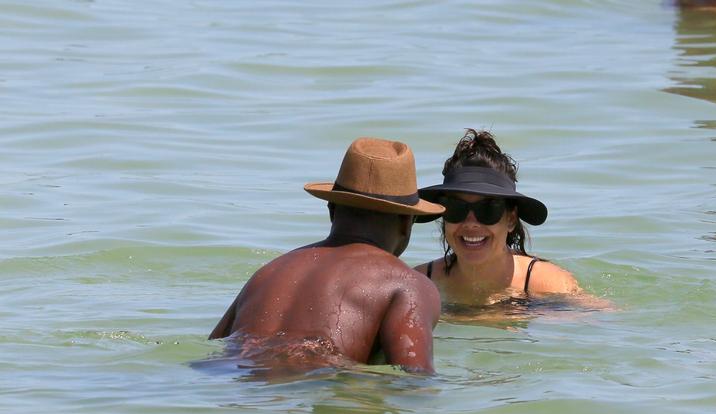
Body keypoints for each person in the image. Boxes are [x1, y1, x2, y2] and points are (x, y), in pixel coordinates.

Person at [209, 137, 445, 375]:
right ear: (407, 222)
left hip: (223, 377)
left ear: (332, 209)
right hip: (309, 387)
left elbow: (216, 348)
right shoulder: (407, 284)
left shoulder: (269, 272)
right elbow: (415, 384)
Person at [415, 129, 580, 306]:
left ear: (510, 220)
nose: (471, 223)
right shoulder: (419, 283)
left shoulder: (549, 285)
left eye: (487, 209)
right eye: (457, 208)